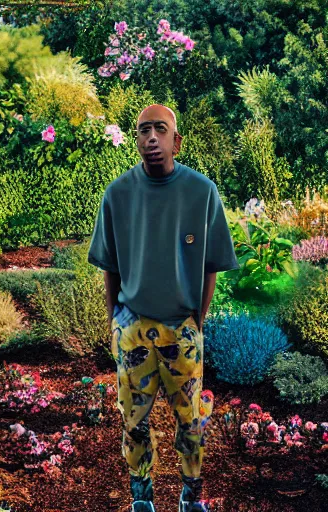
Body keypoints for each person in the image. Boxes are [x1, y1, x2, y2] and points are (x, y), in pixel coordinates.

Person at [87, 104, 239, 512]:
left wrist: (197, 320)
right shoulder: (117, 194)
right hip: (132, 327)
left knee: (191, 421)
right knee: (133, 423)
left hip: (182, 329)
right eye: (142, 131)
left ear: (177, 140)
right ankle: (143, 499)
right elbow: (111, 267)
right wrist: (114, 320)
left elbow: (212, 265)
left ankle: (190, 498)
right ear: (135, 140)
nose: (151, 137)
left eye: (160, 129)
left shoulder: (201, 191)